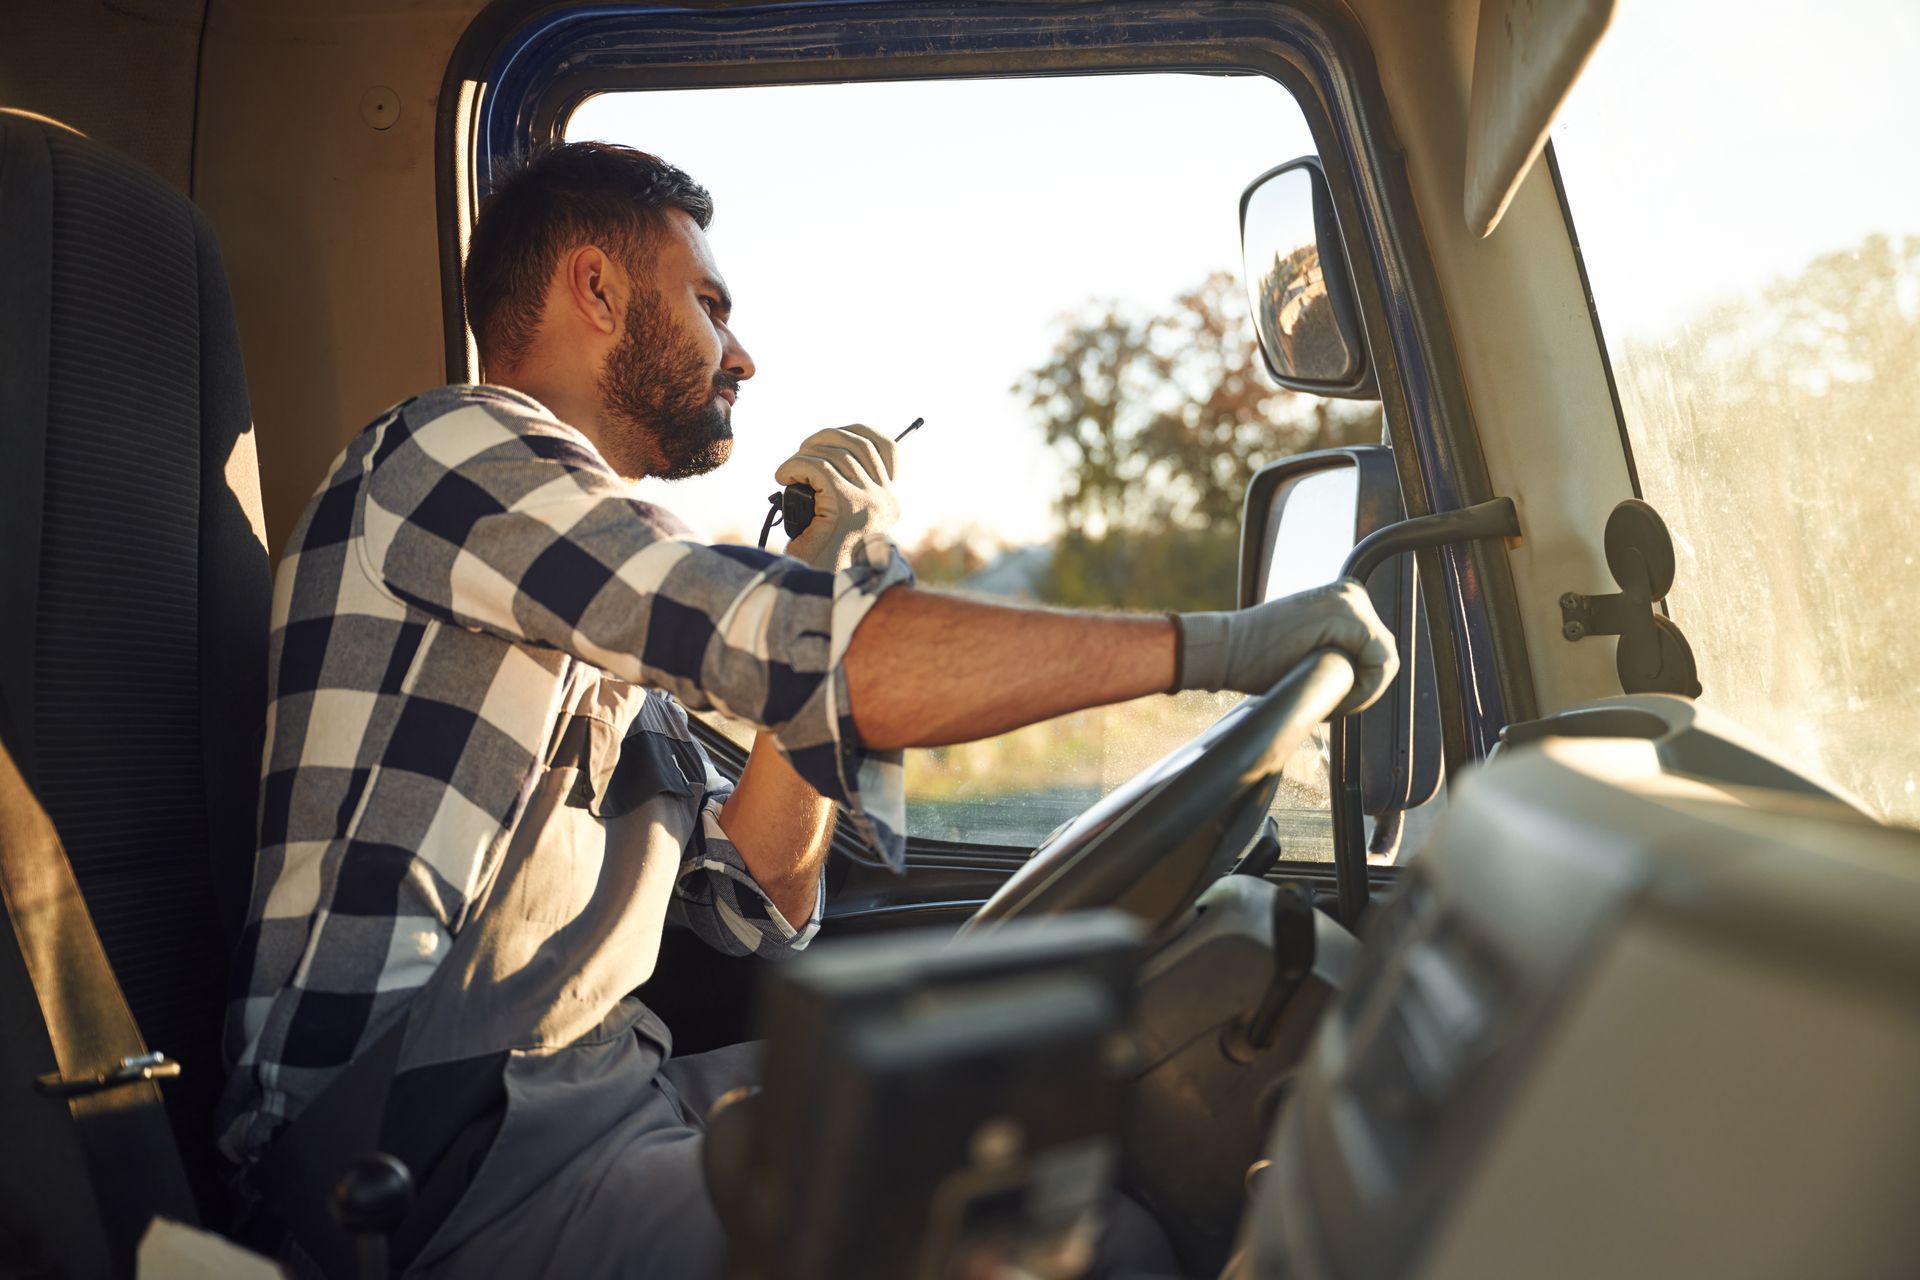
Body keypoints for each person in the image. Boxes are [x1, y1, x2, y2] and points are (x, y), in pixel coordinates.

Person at [217, 141, 1396, 1277]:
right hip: (413, 1164)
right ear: (596, 286)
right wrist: (1224, 647)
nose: (742, 355)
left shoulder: (572, 585)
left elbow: (761, 890)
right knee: (1095, 1245)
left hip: (588, 1098)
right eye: (712, 306)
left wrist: (832, 557)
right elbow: (834, 662)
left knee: (1048, 1142)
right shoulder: (451, 450)